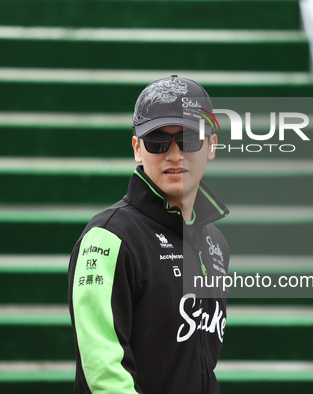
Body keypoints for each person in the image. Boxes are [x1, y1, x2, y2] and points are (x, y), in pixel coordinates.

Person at [68, 75, 231, 394]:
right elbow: (103, 372)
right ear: (137, 149)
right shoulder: (108, 238)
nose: (174, 153)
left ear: (211, 145)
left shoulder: (215, 244)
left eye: (189, 138)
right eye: (157, 140)